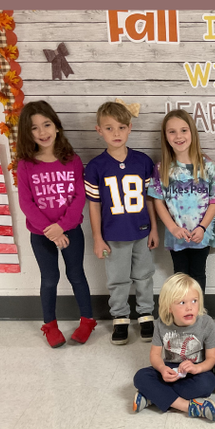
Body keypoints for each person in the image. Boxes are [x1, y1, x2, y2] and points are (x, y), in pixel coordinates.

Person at [14, 101, 95, 348]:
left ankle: (88, 320)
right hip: (41, 235)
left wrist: (63, 226)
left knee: (76, 275)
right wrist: (51, 231)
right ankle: (50, 325)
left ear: (57, 126)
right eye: (35, 128)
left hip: (70, 230)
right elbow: (26, 203)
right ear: (28, 134)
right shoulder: (26, 164)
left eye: (46, 124)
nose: (42, 132)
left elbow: (79, 196)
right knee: (49, 279)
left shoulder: (72, 160)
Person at [84, 100, 159, 345]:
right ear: (99, 130)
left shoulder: (143, 161)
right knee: (117, 278)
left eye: (121, 127)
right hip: (113, 234)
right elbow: (94, 204)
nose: (116, 133)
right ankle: (120, 317)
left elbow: (150, 199)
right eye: (109, 128)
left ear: (129, 128)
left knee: (144, 275)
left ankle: (146, 313)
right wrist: (97, 237)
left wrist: (154, 229)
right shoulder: (96, 167)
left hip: (141, 230)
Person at [148, 109, 215, 296]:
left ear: (192, 133)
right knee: (179, 276)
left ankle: (198, 317)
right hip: (177, 235)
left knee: (198, 274)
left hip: (201, 233)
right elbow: (158, 201)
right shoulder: (162, 168)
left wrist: (203, 227)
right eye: (171, 131)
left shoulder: (207, 166)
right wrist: (173, 228)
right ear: (165, 136)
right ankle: (181, 314)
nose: (178, 136)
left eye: (183, 130)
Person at [132, 274, 215, 422]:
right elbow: (155, 355)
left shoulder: (206, 323)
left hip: (195, 371)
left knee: (208, 383)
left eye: (194, 301)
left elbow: (212, 358)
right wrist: (161, 369)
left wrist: (197, 368)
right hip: (170, 370)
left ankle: (152, 397)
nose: (189, 307)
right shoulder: (161, 324)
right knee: (140, 376)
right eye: (182, 302)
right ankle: (188, 406)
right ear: (169, 307)